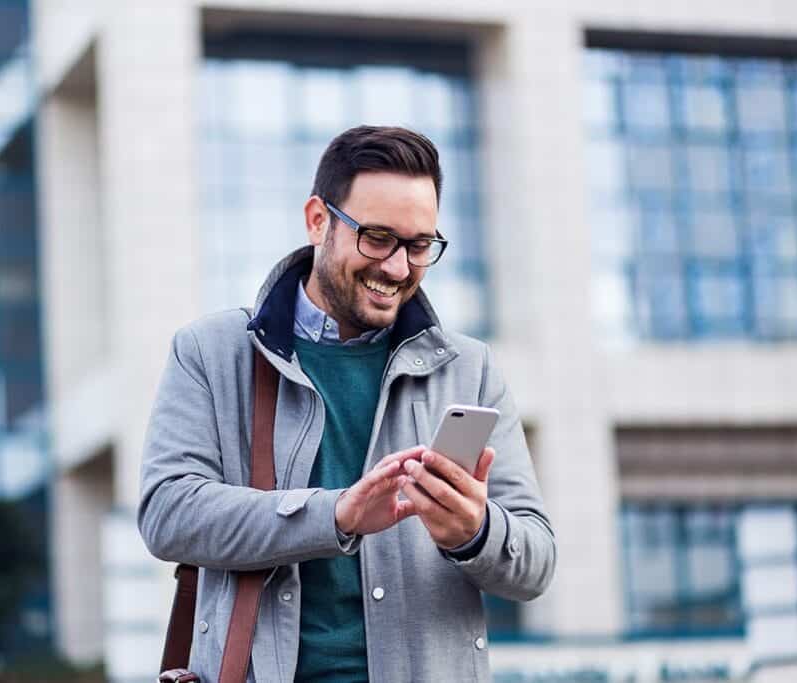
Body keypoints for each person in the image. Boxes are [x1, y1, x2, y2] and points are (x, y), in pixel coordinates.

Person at [139, 125, 555, 682]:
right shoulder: (210, 353)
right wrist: (335, 515)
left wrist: (473, 532)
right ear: (318, 220)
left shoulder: (468, 369)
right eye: (377, 238)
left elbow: (536, 562)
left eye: (419, 245)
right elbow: (168, 513)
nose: (398, 268)